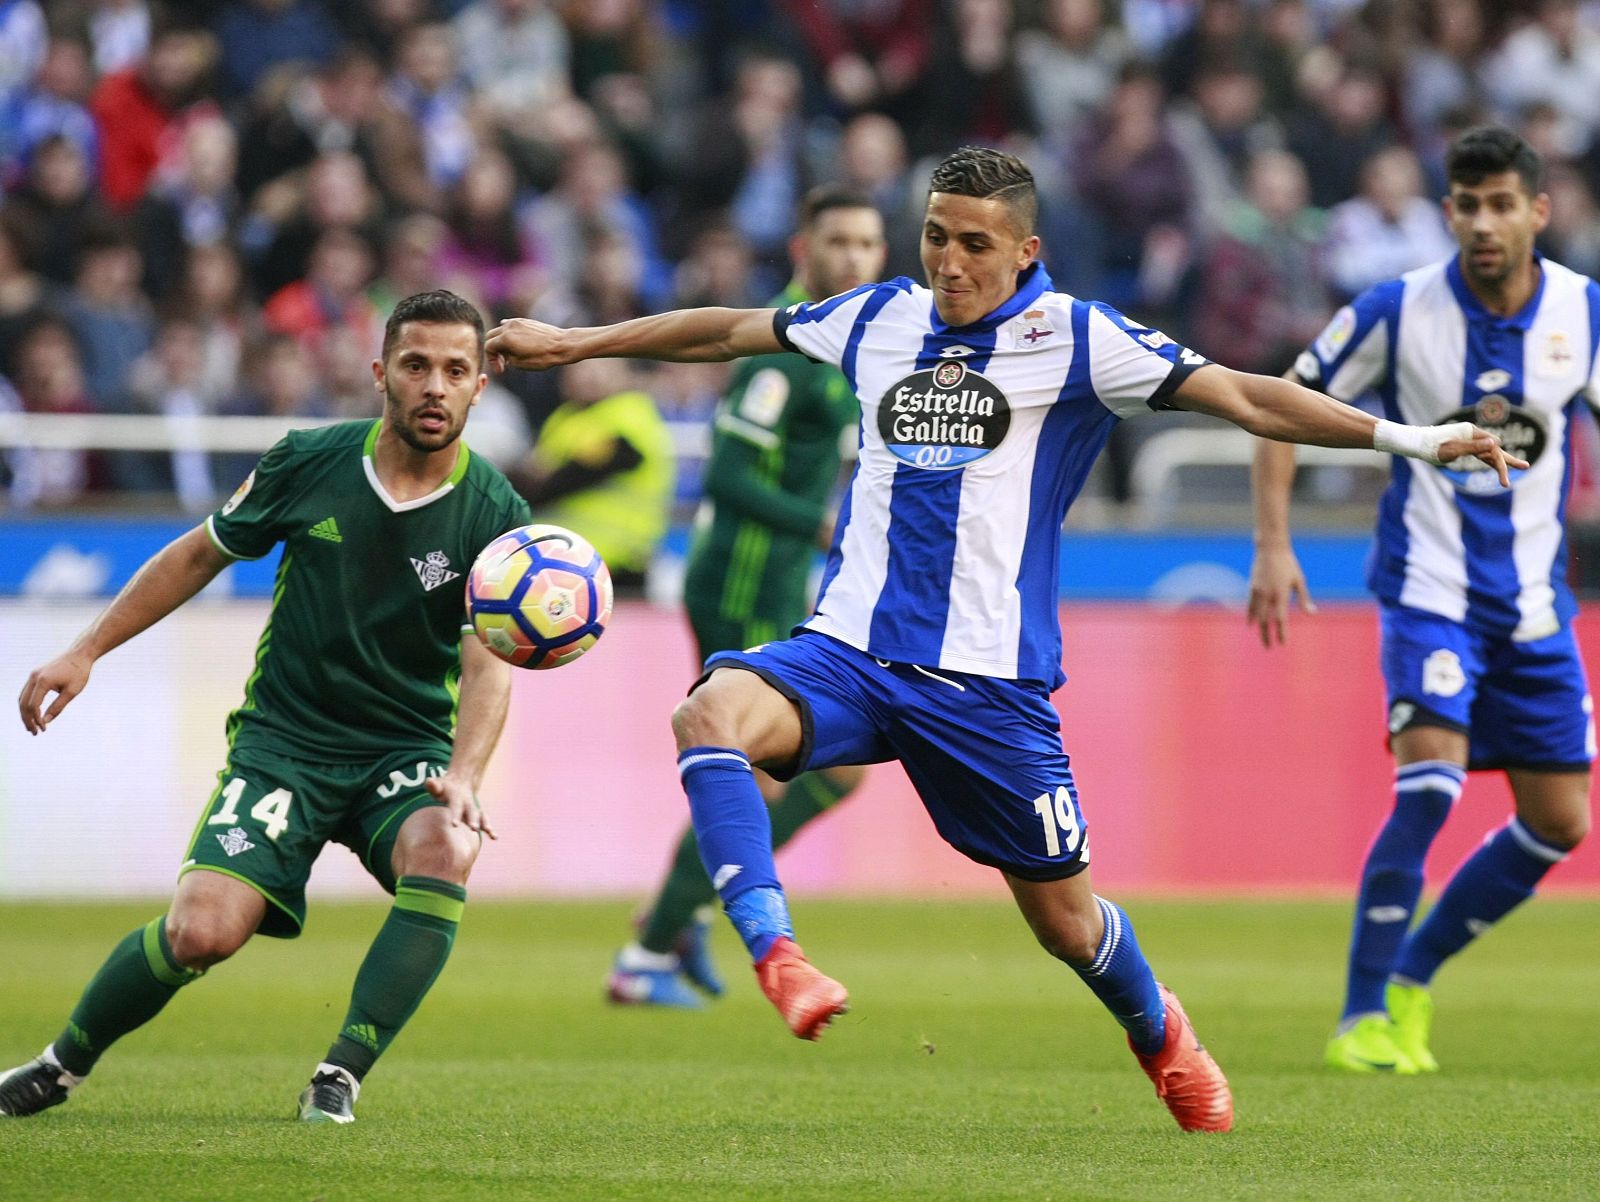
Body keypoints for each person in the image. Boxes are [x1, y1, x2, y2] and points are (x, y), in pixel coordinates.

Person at [485, 146, 1518, 1134]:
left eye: (975, 244)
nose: (948, 261)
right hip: (848, 650)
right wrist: (575, 343)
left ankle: (1160, 1032)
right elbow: (725, 332)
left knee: (1066, 923)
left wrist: (1414, 439)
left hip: (986, 688)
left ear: (1025, 251)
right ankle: (775, 951)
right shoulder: (878, 316)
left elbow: (1247, 395)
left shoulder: (1079, 337)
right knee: (708, 714)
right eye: (936, 236)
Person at [1, 290, 532, 1124]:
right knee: (200, 932)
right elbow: (197, 556)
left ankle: (341, 1073)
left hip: (402, 751)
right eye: (416, 365)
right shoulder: (307, 461)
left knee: (446, 844)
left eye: (455, 370)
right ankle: (60, 1063)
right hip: (284, 746)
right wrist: (87, 650)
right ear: (380, 373)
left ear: (478, 388)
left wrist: (464, 774)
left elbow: (488, 657)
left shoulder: (497, 512)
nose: (435, 386)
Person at [1248, 125, 1594, 1076]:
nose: (1484, 224)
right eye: (1468, 206)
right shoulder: (1397, 309)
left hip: (1535, 608)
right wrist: (1272, 542)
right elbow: (1279, 403)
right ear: (1447, 212)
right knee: (1431, 784)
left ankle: (1411, 976)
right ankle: (1361, 1016)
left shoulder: (1584, 312)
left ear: (1537, 211)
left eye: (1501, 205)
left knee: (1561, 823)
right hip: (1429, 590)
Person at [606, 185, 887, 1008]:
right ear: (804, 249)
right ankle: (648, 953)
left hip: (780, 586)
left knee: (840, 773)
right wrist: (823, 522)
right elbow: (727, 475)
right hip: (737, 582)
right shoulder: (781, 350)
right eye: (838, 242)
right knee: (759, 774)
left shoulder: (843, 349)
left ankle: (684, 907)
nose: (854, 258)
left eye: (868, 244)